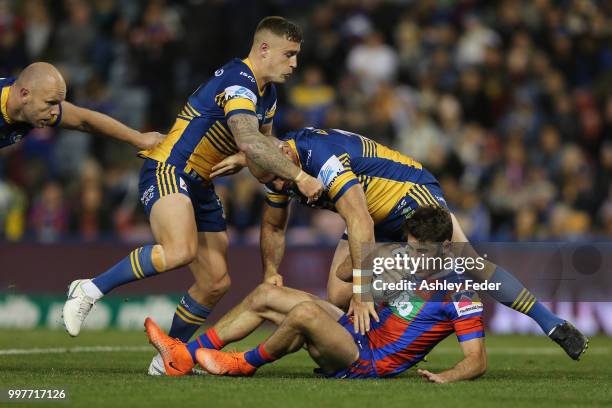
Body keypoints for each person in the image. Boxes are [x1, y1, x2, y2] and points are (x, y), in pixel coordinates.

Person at [61, 16, 324, 375]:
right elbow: (251, 140)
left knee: (216, 281)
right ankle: (89, 289)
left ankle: (169, 356)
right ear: (264, 49)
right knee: (179, 250)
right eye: (289, 54)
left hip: (200, 183)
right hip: (170, 167)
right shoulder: (238, 82)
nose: (295, 63)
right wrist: (298, 176)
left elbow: (260, 146)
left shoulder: (270, 95)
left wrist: (243, 156)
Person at [216, 126, 588, 360]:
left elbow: (357, 216)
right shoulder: (279, 170)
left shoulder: (315, 152)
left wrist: (365, 288)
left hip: (409, 196)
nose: (279, 187)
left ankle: (552, 323)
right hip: (369, 212)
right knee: (337, 293)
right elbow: (275, 223)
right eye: (270, 183)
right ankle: (372, 342)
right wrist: (270, 272)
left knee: (471, 266)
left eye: (277, 180)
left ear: (283, 155)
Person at [144, 206, 487, 382]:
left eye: (420, 252)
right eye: (410, 248)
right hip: (355, 330)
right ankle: (186, 355)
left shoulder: (460, 293)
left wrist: (446, 377)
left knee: (306, 315)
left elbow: (477, 359)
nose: (413, 257)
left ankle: (243, 363)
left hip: (365, 360)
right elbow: (342, 275)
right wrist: (378, 258)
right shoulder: (406, 261)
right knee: (267, 294)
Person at [1, 62, 163, 150]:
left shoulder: (33, 104)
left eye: (57, 104)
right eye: (50, 103)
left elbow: (84, 119)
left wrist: (139, 139)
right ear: (24, 94)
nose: (55, 112)